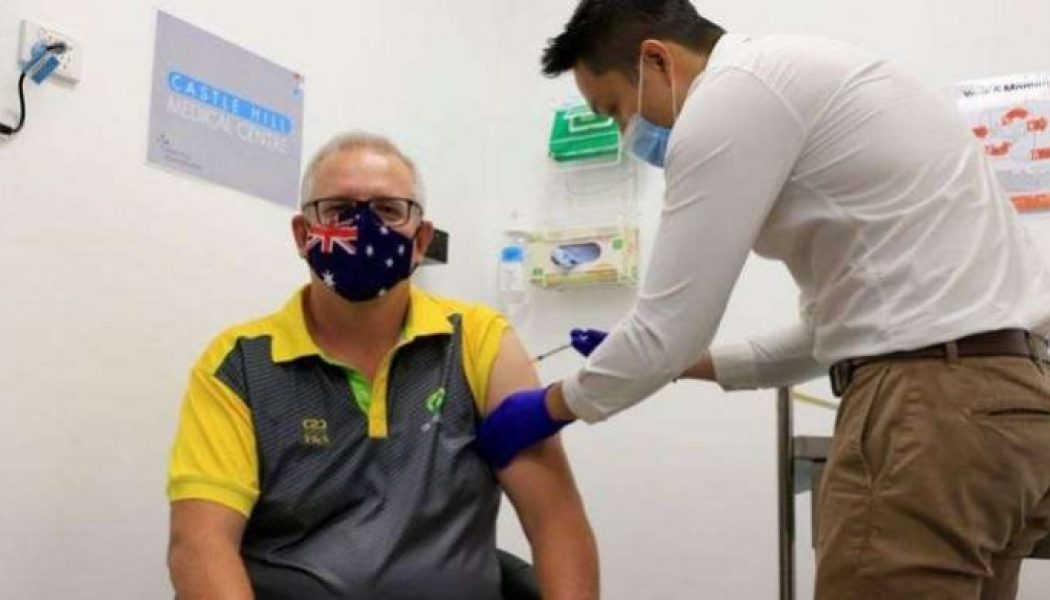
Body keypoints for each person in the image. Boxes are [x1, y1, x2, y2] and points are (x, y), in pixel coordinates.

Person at [474, 1, 1050, 598]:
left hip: (931, 411)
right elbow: (820, 341)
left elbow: (667, 331)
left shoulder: (729, 97)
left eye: (617, 109)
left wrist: (551, 405)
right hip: (1014, 404)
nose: (626, 136)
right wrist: (681, 366)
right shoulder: (799, 76)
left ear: (656, 60)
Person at [166, 132, 599, 599]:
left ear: (421, 240)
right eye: (338, 210)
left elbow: (554, 519)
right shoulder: (238, 366)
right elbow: (201, 544)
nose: (363, 227)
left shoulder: (479, 342)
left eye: (389, 211)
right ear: (303, 234)